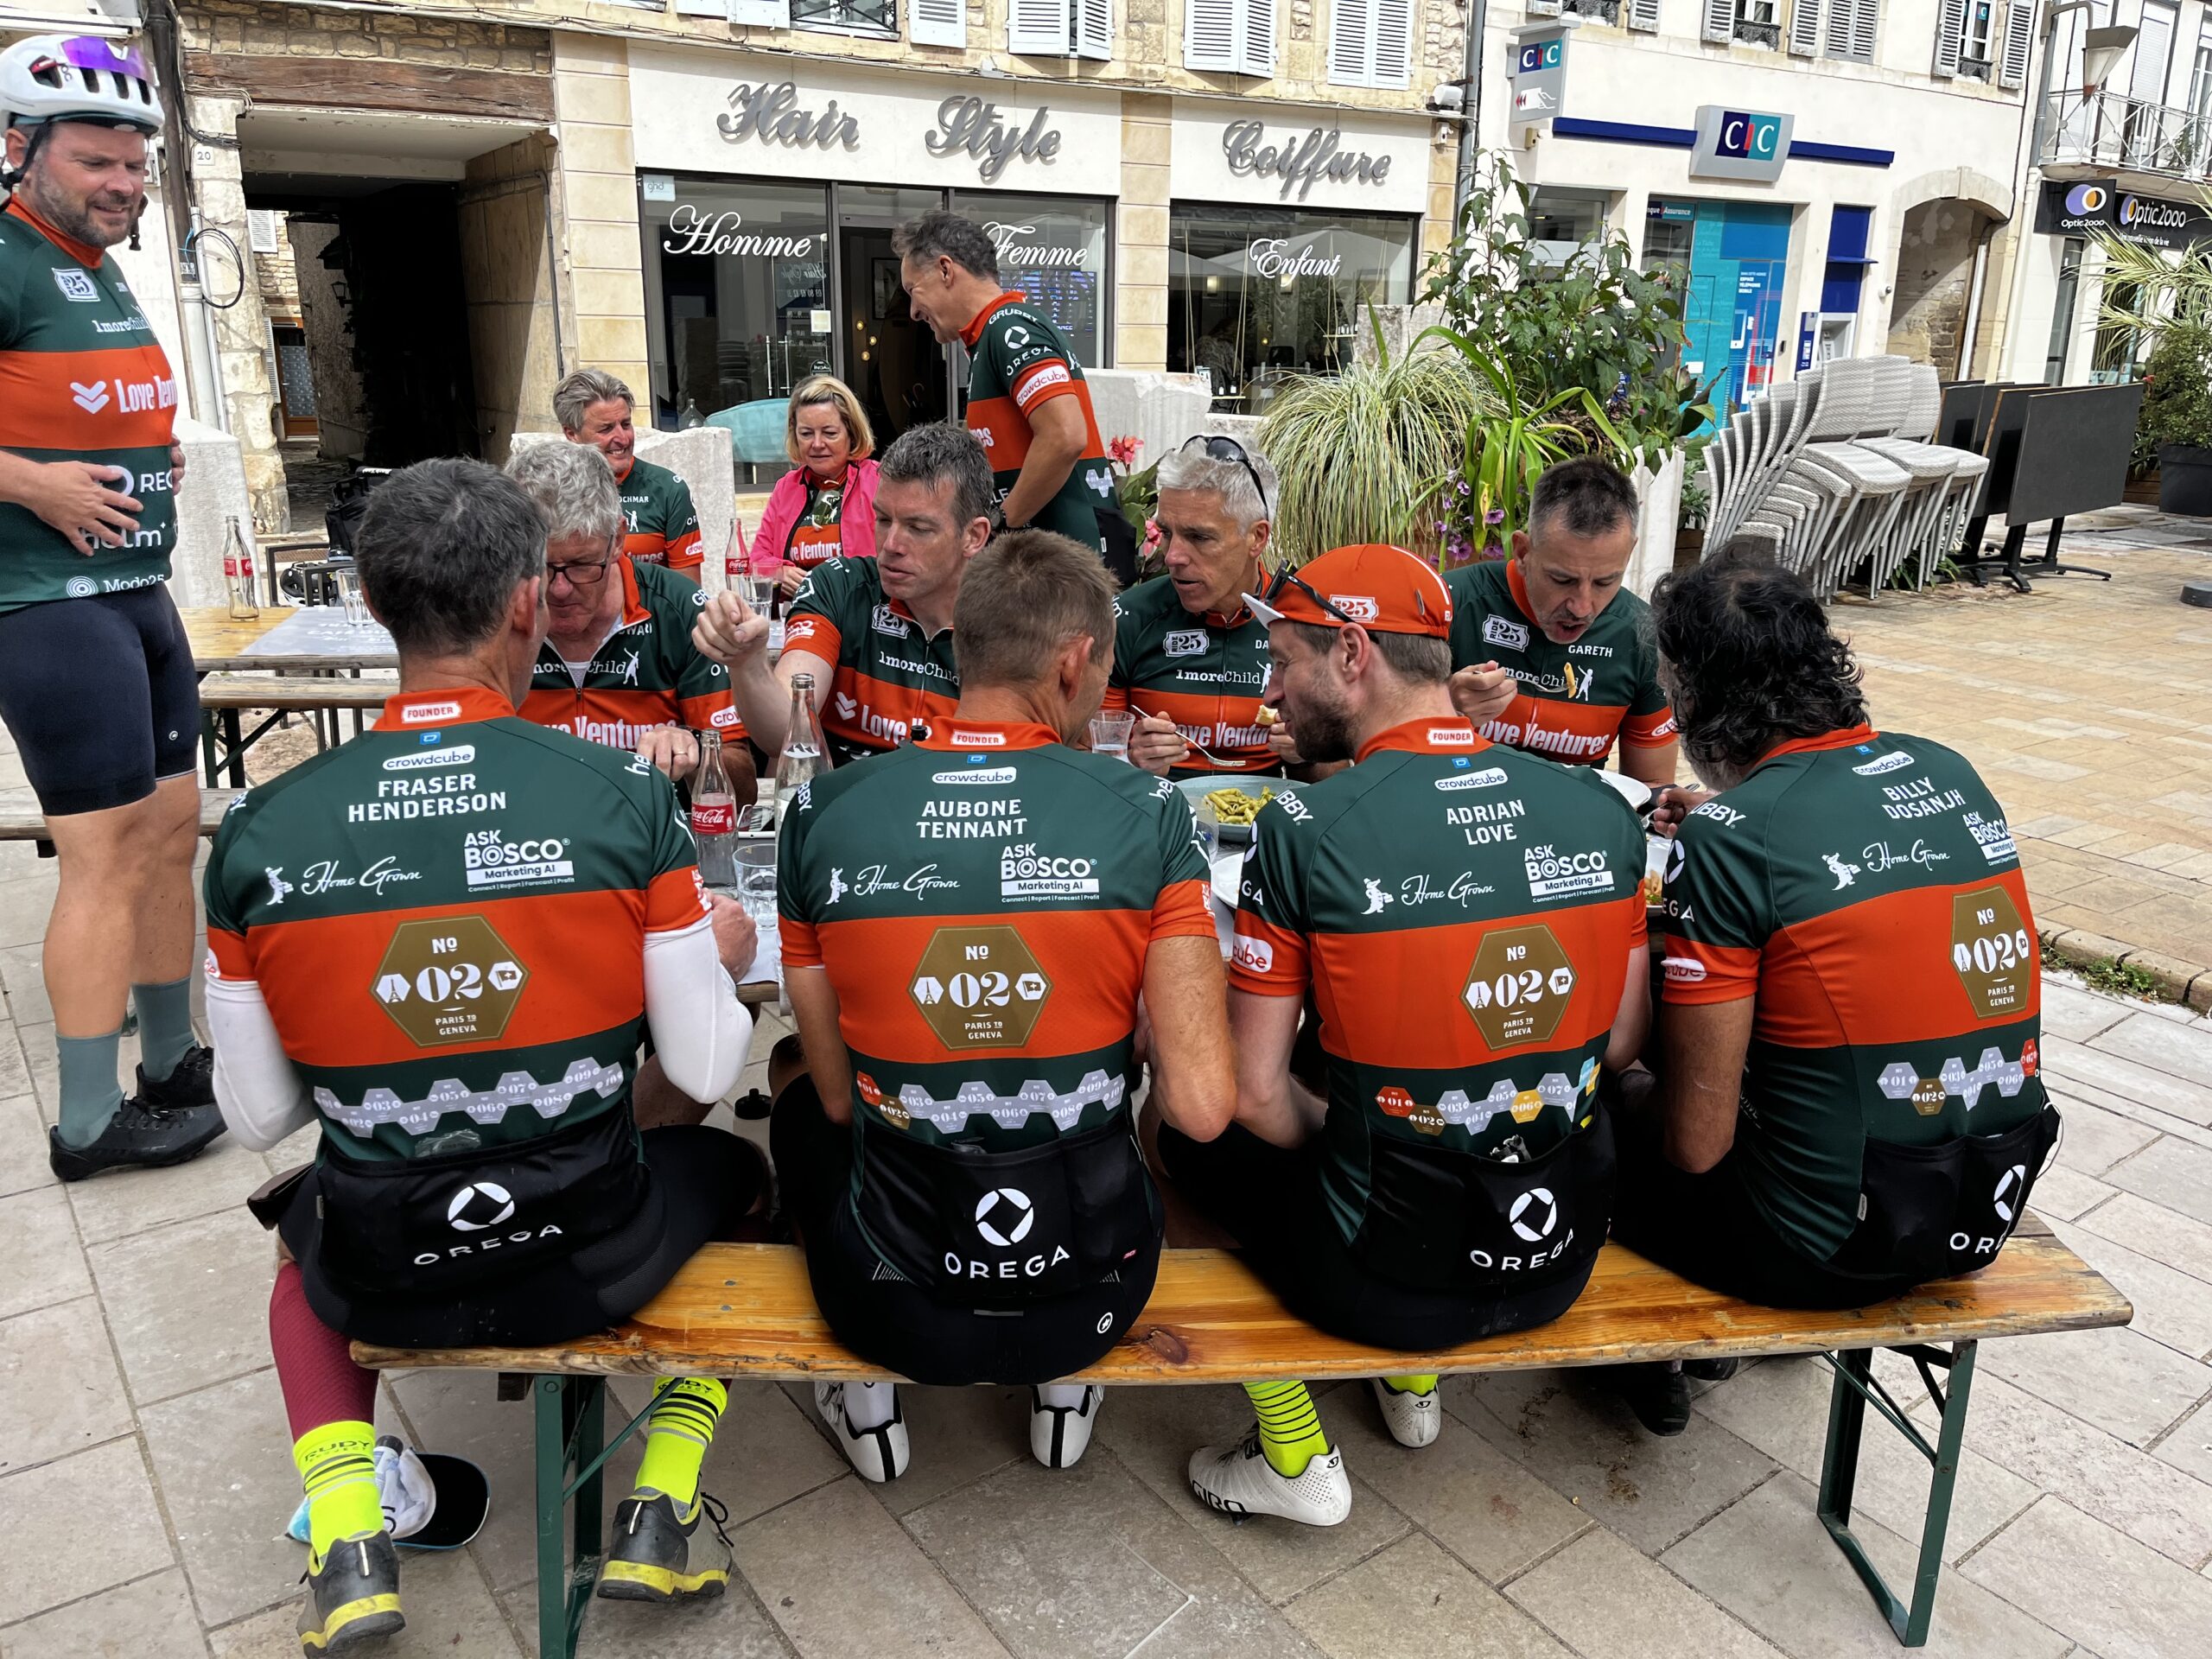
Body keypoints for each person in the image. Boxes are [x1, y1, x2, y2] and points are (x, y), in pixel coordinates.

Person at [203, 460, 765, 1649]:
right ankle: (662, 1503)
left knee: (300, 1230)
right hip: (591, 1246)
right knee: (744, 1175)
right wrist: (711, 956)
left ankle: (348, 1535)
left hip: (386, 1260)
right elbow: (706, 1072)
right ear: (523, 600)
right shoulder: (623, 796)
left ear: (372, 600)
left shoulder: (256, 830)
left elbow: (256, 1117)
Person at [1156, 543, 1649, 1527]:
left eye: (1283, 661)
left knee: (1176, 1130)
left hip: (1385, 1280)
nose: (1269, 689)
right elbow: (1623, 1042)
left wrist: (1355, 1136)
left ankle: (1294, 1453)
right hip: (1558, 1256)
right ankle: (1412, 1391)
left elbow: (1252, 1095)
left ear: (1352, 652)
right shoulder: (1598, 808)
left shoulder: (1304, 827)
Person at [769, 529, 1235, 1481]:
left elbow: (839, 1099)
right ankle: (1061, 1393)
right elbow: (1200, 1109)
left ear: (964, 648)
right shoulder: (1150, 815)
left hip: (891, 1303)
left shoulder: (820, 813)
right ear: (1073, 662)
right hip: (1093, 1294)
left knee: (797, 1110)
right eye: (1104, 670)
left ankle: (869, 1405)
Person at [1606, 544, 2057, 1434]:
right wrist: (1730, 818)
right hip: (1983, 1198)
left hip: (1830, 1249)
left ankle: (1651, 1350)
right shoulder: (1949, 770)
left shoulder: (1735, 841)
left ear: (1697, 697)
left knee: (1591, 1103)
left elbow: (1696, 1145)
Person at [0, 35, 218, 1179]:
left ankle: (171, 1058)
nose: (123, 184)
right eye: (96, 162)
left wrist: (149, 448)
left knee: (172, 833)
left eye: (135, 165)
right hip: (46, 602)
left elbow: (74, 392)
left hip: (139, 591)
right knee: (105, 857)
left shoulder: (95, 260)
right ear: (19, 147)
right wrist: (32, 484)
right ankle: (88, 1123)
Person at [694, 422, 987, 766]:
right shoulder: (839, 586)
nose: (891, 545)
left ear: (973, 537)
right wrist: (748, 664)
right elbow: (785, 732)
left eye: (918, 528)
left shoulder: (1010, 616)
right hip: (844, 796)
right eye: (883, 520)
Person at [505, 442, 754, 801]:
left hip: (651, 827)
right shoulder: (491, 611)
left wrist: (697, 751)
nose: (559, 589)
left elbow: (744, 789)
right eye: (539, 566)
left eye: (582, 565)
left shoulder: (679, 609)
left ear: (618, 539)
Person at [893, 211, 1124, 580]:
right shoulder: (992, 335)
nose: (913, 312)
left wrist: (1002, 524)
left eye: (912, 290)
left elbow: (1065, 436)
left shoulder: (1008, 328)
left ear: (946, 270)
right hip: (1054, 562)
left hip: (1062, 569)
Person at [1446, 458, 1678, 790]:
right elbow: (1379, 759)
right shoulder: (1450, 604)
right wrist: (1445, 711)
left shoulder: (1643, 636)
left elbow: (1652, 786)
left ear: (1628, 555)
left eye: (1605, 582)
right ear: (1522, 553)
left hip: (1575, 817)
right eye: (1562, 579)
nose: (1581, 607)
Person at [1106, 435, 1315, 780]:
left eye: (1199, 537)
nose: (1172, 557)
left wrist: (1307, 754)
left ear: (1257, 537)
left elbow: (1338, 784)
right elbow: (1090, 761)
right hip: (1156, 809)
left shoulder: (1304, 621)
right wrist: (1130, 760)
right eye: (1166, 533)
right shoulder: (1127, 619)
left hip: (1268, 811)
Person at [556, 367, 703, 581]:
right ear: (572, 434)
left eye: (626, 424)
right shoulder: (550, 491)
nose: (623, 439)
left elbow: (689, 592)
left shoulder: (668, 489)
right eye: (606, 429)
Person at [745, 374, 880, 599]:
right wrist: (779, 573)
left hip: (863, 610)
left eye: (830, 433)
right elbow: (757, 560)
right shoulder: (786, 488)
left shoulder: (879, 481)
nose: (817, 444)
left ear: (852, 433)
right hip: (799, 611)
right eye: (806, 434)